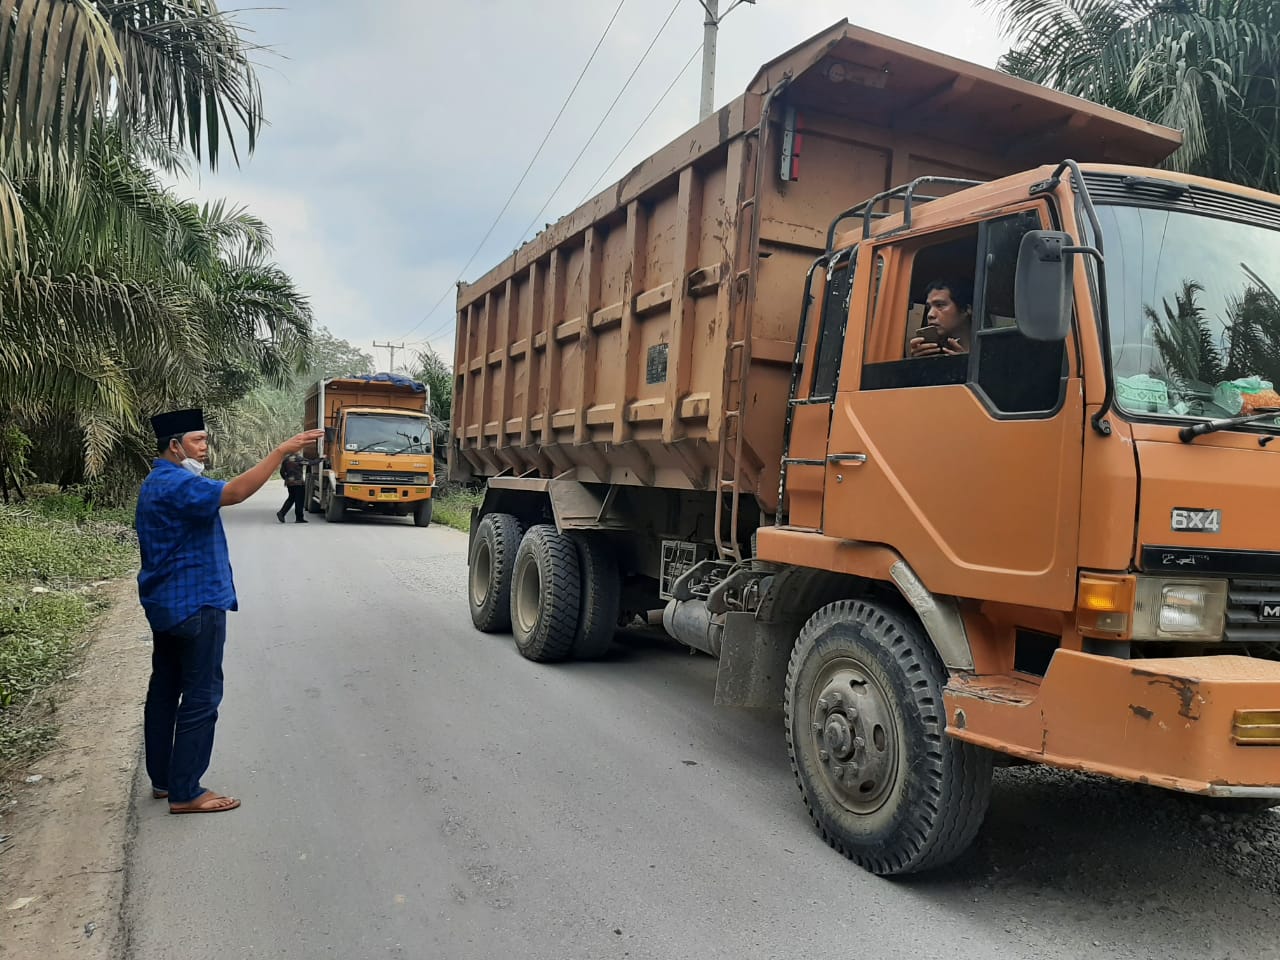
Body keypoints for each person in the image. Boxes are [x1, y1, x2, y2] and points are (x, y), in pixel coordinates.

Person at [135, 408, 323, 814]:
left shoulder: (155, 482)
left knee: (165, 689)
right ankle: (186, 792)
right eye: (198, 440)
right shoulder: (176, 482)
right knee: (201, 695)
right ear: (174, 445)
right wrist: (280, 451)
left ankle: (165, 780)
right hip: (197, 603)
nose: (205, 448)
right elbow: (235, 493)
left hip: (166, 605)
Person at [908, 279, 974, 358]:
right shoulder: (934, 353)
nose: (930, 314)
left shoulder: (988, 350)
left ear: (965, 310)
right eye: (928, 307)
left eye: (939, 305)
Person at [276, 453, 307, 524]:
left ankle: (281, 513)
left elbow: (282, 472)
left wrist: (287, 479)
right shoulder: (299, 459)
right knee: (299, 500)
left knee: (291, 498)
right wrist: (321, 459)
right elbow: (310, 463)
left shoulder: (286, 459)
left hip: (290, 483)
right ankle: (299, 518)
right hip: (299, 483)